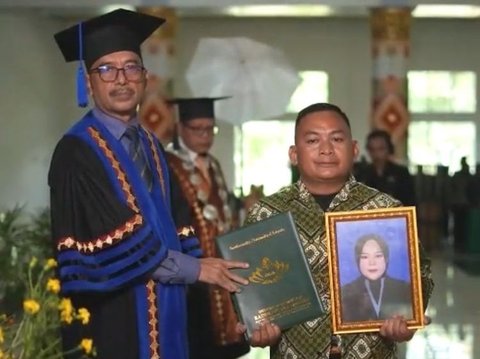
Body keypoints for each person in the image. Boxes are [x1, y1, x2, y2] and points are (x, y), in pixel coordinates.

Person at [48, 9, 249, 359]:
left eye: (131, 67)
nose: (121, 79)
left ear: (144, 77)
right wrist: (196, 269)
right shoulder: (77, 151)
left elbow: (179, 223)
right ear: (89, 82)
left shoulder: (152, 145)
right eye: (107, 69)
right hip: (112, 320)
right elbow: (116, 239)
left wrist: (206, 268)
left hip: (169, 310)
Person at [243, 103, 434, 358]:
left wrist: (405, 321)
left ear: (354, 149)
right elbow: (249, 288)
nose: (326, 149)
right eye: (312, 140)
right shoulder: (267, 215)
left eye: (336, 138)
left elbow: (420, 274)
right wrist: (256, 328)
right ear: (294, 154)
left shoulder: (384, 209)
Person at [165, 97, 250, 359]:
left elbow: (221, 205)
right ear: (181, 128)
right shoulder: (168, 164)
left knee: (228, 343)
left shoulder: (213, 163)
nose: (205, 135)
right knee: (199, 340)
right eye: (197, 129)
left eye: (210, 128)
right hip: (193, 264)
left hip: (222, 259)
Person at [341, 234, 412, 322]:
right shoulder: (345, 292)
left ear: (386, 259)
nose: (372, 263)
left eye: (378, 256)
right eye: (365, 257)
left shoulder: (404, 288)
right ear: (358, 261)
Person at [362, 129, 416, 206]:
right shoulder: (362, 173)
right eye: (372, 149)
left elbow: (410, 202)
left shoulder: (401, 173)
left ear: (389, 149)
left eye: (381, 149)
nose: (376, 154)